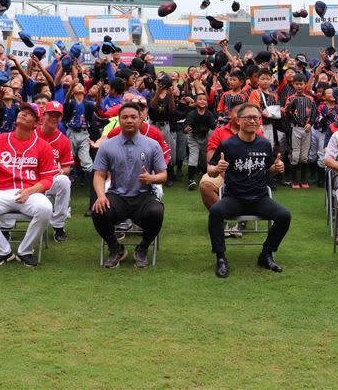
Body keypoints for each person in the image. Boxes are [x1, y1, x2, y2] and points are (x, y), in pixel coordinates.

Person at [207, 103, 290, 278]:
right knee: (215, 212)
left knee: (284, 215)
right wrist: (217, 168)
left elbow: (269, 169)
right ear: (238, 120)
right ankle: (221, 257)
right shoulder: (228, 145)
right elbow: (210, 170)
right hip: (235, 197)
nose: (253, 121)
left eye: (256, 118)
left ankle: (266, 254)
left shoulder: (264, 144)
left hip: (259, 197)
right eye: (248, 117)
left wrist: (277, 167)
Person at [0, 103, 56, 268]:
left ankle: (25, 250)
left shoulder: (43, 146)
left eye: (29, 113)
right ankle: (3, 250)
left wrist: (30, 191)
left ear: (37, 123)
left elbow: (47, 180)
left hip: (30, 193)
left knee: (45, 208)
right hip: (2, 192)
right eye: (22, 111)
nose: (23, 114)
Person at [91, 103, 167, 269]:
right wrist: (101, 196)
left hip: (143, 196)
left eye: (133, 117)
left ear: (141, 119)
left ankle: (142, 248)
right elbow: (99, 175)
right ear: (119, 120)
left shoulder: (152, 145)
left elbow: (163, 175)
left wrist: (152, 178)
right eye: (124, 117)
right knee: (98, 209)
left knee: (157, 211)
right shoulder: (108, 145)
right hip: (117, 196)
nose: (129, 120)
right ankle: (115, 248)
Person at [36, 101, 75, 242]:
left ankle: (58, 225)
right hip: (30, 180)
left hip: (51, 180)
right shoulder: (31, 134)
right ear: (43, 115)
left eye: (57, 116)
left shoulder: (63, 140)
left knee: (64, 181)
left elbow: (67, 167)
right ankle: (7, 228)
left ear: (61, 118)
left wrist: (62, 171)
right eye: (50, 114)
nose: (53, 118)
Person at [184, 93, 216, 190]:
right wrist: (187, 128)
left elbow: (213, 125)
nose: (202, 101)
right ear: (195, 102)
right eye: (200, 99)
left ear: (207, 103)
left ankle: (205, 176)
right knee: (194, 156)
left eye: (204, 100)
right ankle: (191, 180)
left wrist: (216, 125)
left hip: (204, 136)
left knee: (204, 157)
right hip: (193, 136)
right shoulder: (192, 113)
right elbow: (187, 123)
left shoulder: (209, 114)